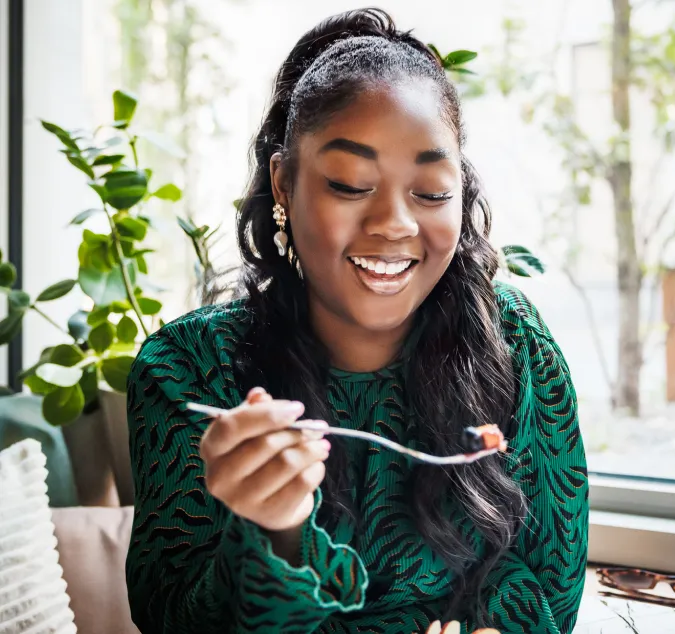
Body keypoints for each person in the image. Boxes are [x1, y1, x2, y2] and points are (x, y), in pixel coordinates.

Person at [125, 8, 588, 633]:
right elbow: (172, 621)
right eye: (348, 183)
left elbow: (551, 588)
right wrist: (277, 533)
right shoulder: (187, 371)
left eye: (430, 191)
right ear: (284, 183)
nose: (395, 223)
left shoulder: (514, 344)